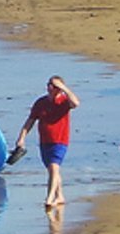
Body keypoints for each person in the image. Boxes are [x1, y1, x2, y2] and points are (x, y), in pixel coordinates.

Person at [13, 76, 79, 210]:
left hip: (60, 141)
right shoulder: (40, 103)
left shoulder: (64, 101)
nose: (50, 88)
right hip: (44, 141)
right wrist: (22, 138)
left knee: (54, 167)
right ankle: (60, 195)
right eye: (49, 85)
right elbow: (30, 121)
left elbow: (76, 103)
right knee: (52, 170)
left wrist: (64, 88)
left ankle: (49, 198)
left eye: (54, 86)